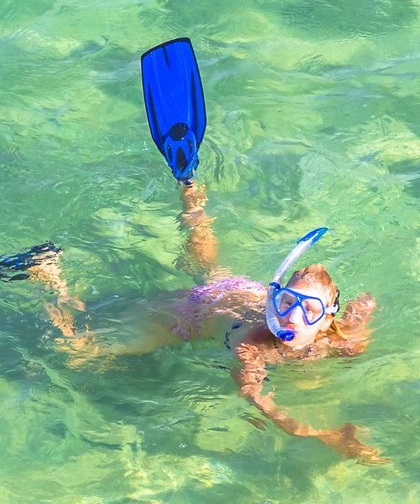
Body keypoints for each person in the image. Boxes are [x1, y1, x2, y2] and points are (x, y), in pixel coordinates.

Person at [23, 182, 383, 463]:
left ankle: (193, 200)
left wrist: (360, 314)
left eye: (309, 311)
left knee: (211, 268)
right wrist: (320, 435)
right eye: (287, 302)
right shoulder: (251, 346)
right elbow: (259, 400)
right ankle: (50, 276)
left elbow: (361, 310)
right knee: (77, 352)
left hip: (239, 291)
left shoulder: (337, 337)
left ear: (326, 322)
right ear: (276, 298)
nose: (291, 315)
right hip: (195, 312)